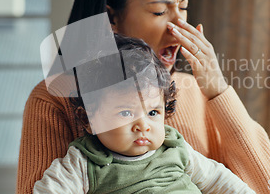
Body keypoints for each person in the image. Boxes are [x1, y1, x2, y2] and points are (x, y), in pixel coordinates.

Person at [17, 0, 270, 194]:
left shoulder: (196, 90)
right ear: (110, 17)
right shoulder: (55, 98)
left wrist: (218, 91)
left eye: (183, 8)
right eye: (160, 11)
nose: (179, 27)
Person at [33, 34, 255, 193]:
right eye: (126, 112)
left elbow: (219, 179)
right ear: (88, 119)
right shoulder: (84, 162)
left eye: (152, 112)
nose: (143, 125)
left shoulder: (174, 147)